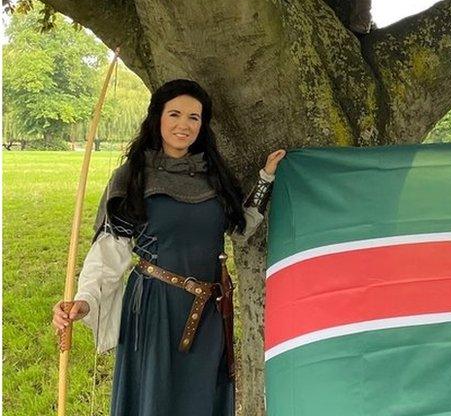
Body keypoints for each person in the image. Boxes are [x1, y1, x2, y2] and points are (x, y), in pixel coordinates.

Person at [52, 79, 285, 416]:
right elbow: (110, 251)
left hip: (208, 311)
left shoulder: (214, 175)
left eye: (194, 117)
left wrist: (266, 179)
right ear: (157, 118)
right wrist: (85, 301)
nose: (184, 125)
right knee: (156, 400)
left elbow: (241, 226)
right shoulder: (132, 177)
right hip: (155, 308)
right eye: (174, 114)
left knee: (202, 397)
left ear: (202, 124)